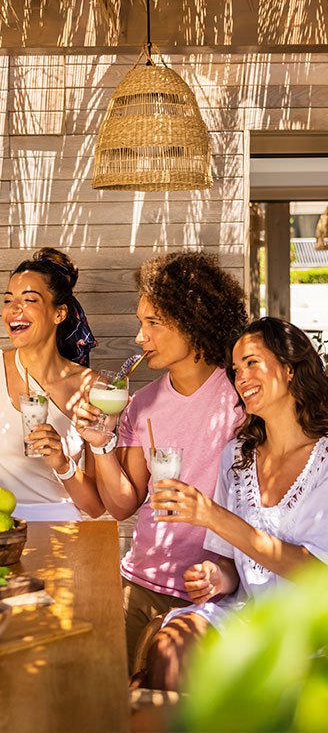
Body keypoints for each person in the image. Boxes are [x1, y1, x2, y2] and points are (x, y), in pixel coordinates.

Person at [75, 251, 248, 671]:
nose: (140, 337)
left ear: (193, 321)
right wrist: (101, 444)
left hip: (216, 595)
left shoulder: (244, 398)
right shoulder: (142, 404)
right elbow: (122, 504)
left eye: (153, 323)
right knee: (111, 697)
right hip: (138, 583)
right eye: (140, 323)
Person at [143, 317, 328, 690]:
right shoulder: (237, 456)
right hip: (248, 616)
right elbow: (229, 562)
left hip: (311, 628)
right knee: (170, 644)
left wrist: (212, 516)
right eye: (235, 369)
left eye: (252, 363)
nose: (240, 377)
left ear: (290, 369)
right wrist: (217, 577)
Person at [0, 247, 104, 521]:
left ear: (59, 313)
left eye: (29, 299)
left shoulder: (91, 387)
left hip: (61, 531)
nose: (14, 310)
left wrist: (62, 463)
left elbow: (95, 507)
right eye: (8, 300)